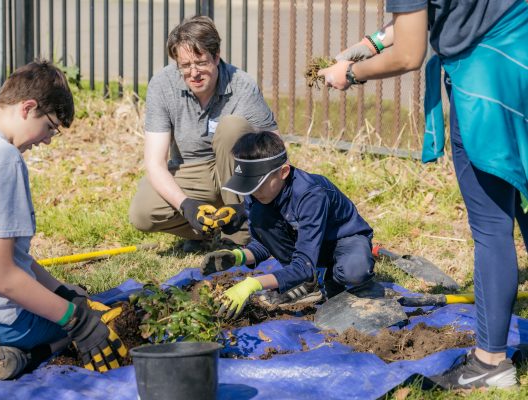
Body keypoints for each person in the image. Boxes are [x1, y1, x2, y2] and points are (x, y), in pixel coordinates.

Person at [319, 0, 528, 390]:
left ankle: (490, 364)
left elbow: (410, 55)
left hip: (489, 82)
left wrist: (351, 71)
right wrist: (372, 42)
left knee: (492, 225)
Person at [0, 60, 127, 380]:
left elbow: (10, 255)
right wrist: (79, 322)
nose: (47, 140)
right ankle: (13, 357)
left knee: (72, 303)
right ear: (27, 107)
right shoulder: (3, 159)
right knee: (95, 328)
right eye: (50, 127)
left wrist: (67, 294)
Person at [129, 16, 278, 252]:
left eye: (200, 62)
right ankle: (206, 230)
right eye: (185, 65)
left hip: (238, 171)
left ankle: (240, 237)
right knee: (142, 212)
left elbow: (275, 146)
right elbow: (155, 163)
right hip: (193, 171)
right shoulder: (162, 85)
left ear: (216, 56)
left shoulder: (242, 85)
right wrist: (186, 204)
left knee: (231, 127)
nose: (194, 73)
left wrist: (255, 199)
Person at [200, 131, 376, 317]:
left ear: (284, 172)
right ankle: (308, 282)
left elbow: (303, 264)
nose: (252, 192)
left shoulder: (310, 195)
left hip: (342, 240)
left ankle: (328, 277)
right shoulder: (257, 194)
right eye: (247, 185)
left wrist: (253, 284)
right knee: (260, 214)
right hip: (305, 243)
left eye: (257, 184)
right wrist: (237, 257)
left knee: (355, 272)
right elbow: (265, 244)